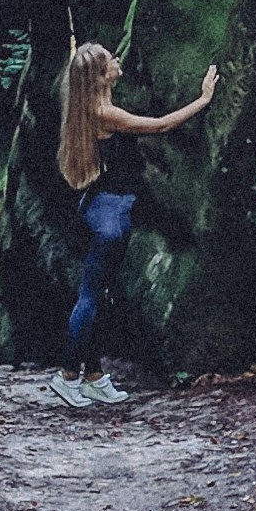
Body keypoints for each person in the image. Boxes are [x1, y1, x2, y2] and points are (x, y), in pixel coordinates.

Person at [52, 41, 217, 408]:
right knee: (90, 297)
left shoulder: (92, 109)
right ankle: (67, 375)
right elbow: (159, 126)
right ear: (100, 75)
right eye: (110, 58)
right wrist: (203, 100)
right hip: (108, 216)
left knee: (99, 297)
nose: (117, 59)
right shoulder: (103, 113)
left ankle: (93, 377)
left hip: (103, 208)